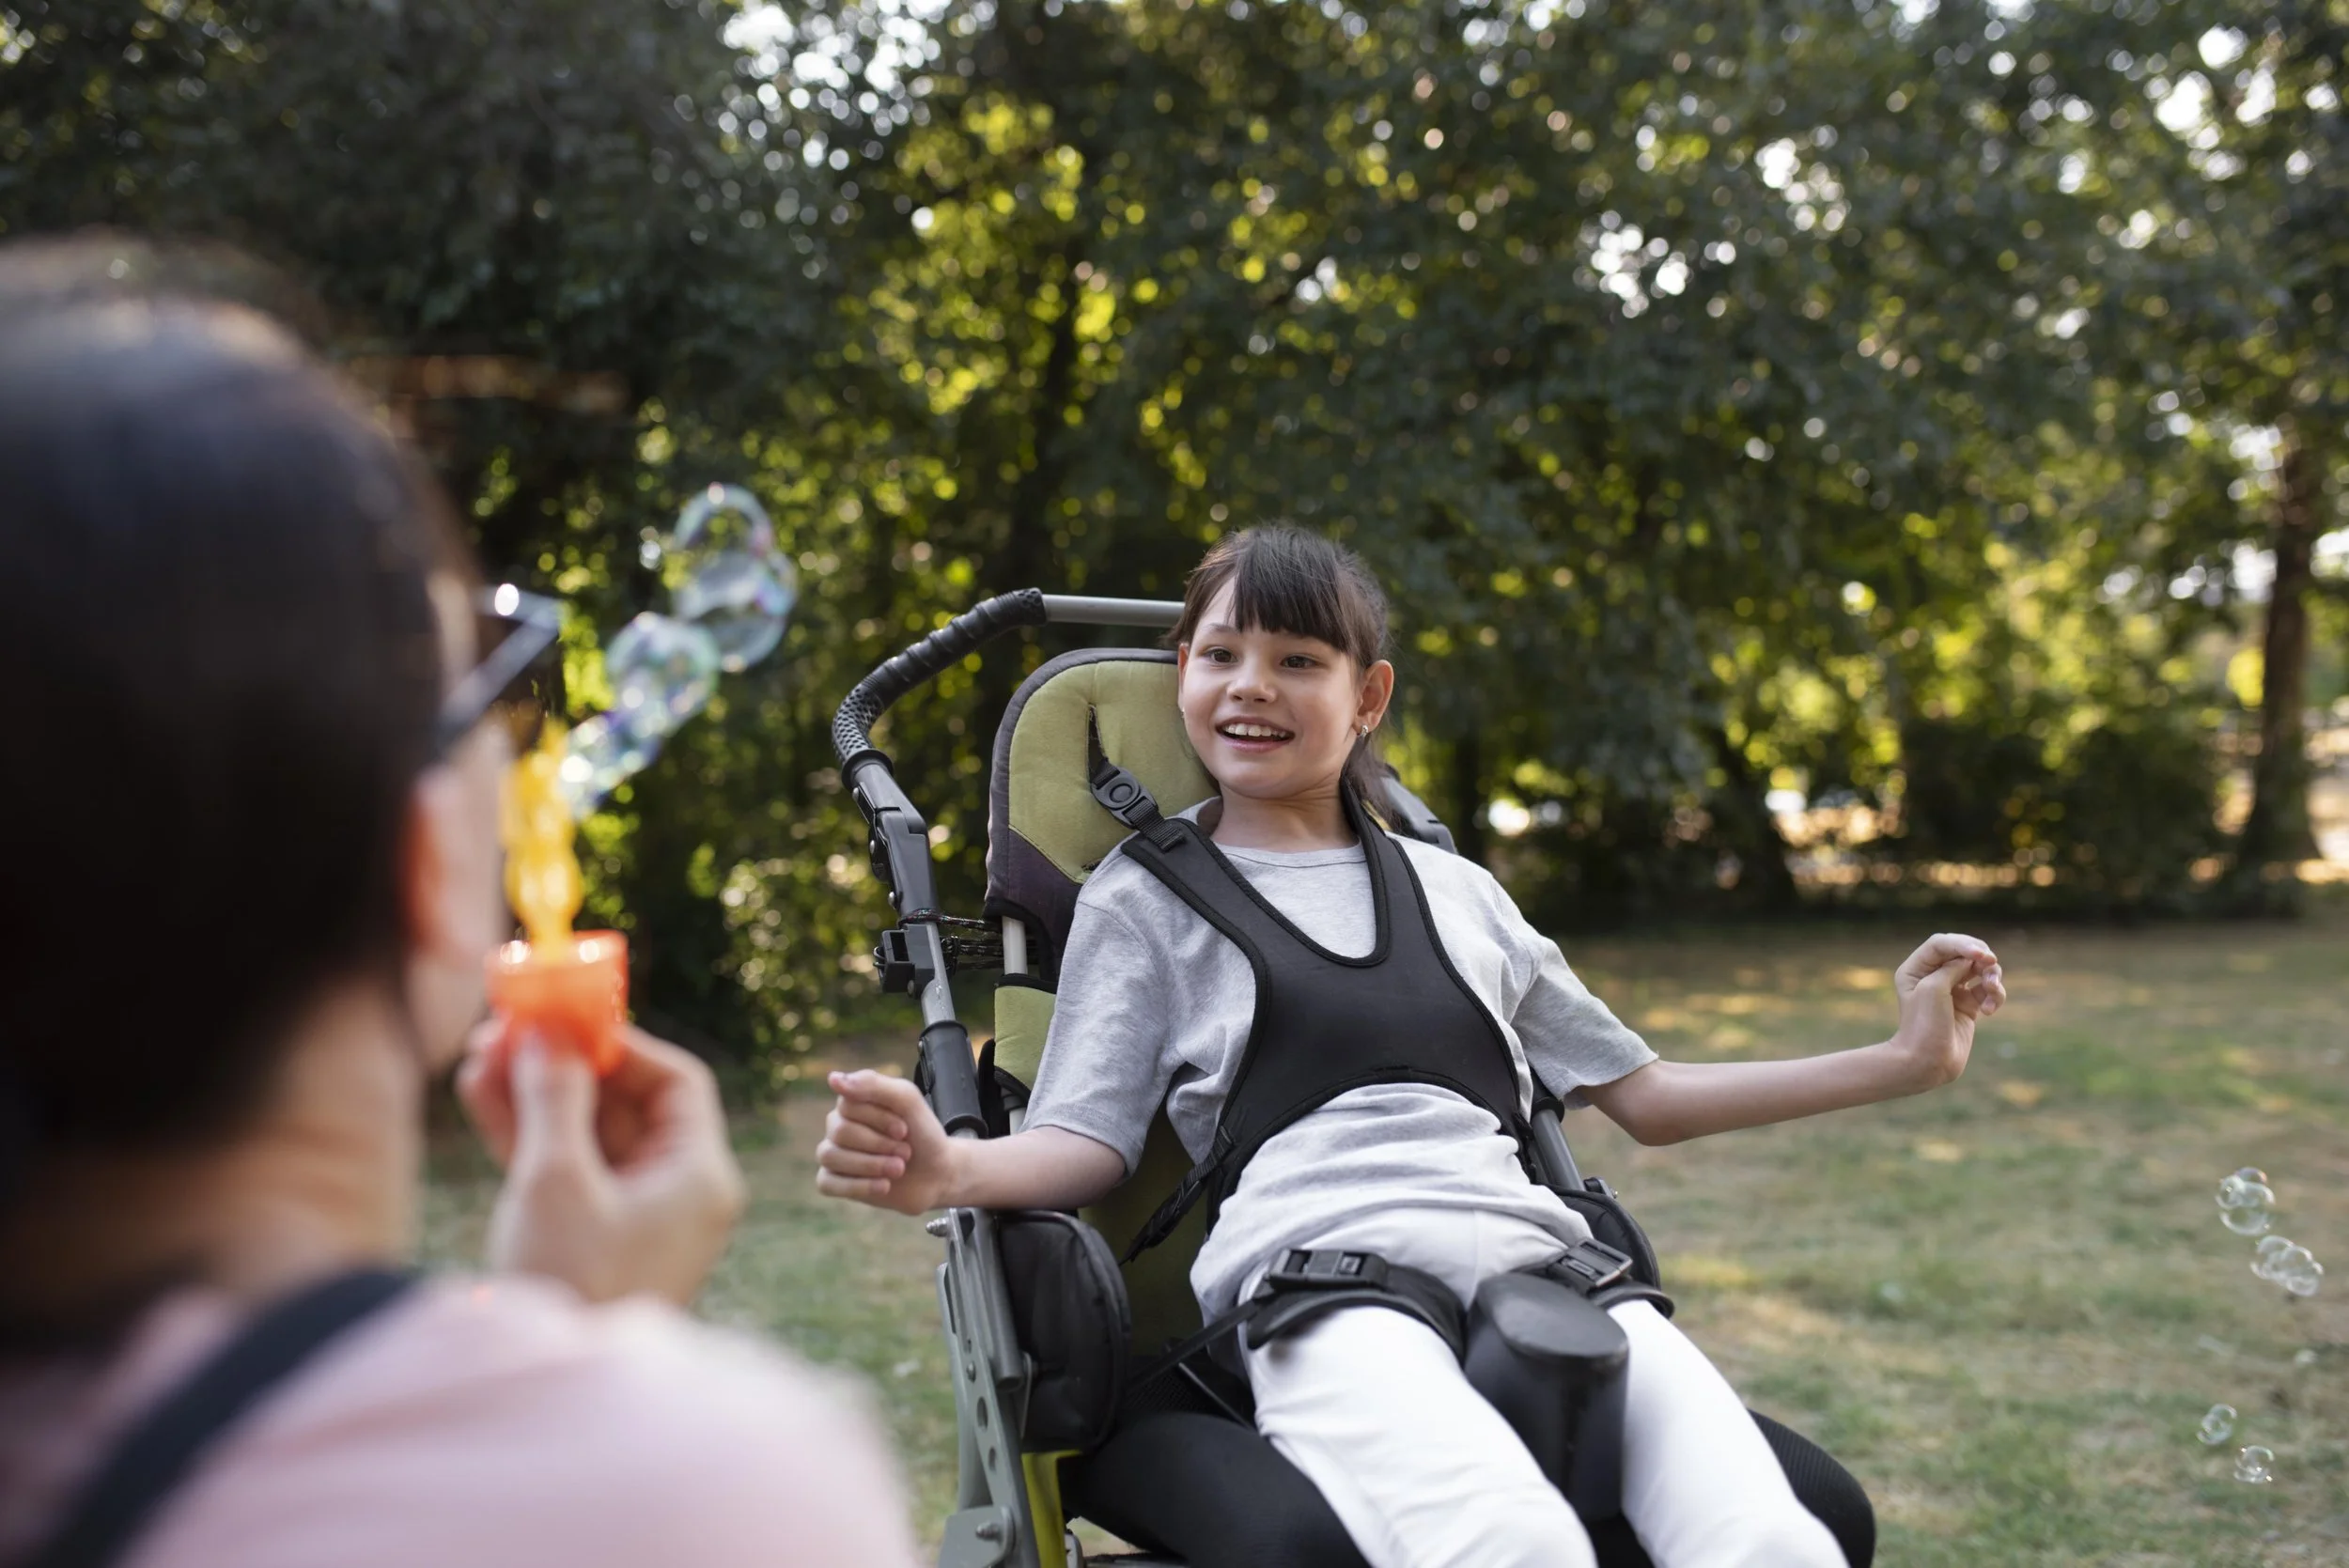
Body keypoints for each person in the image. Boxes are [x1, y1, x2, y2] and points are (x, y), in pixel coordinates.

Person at [817, 525, 2008, 1568]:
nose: (1251, 687)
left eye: (1297, 660)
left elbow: (1645, 1095)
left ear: (1368, 695)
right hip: (1329, 1295)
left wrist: (1902, 1060)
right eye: (1221, 655)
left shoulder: (1461, 892)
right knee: (1514, 1545)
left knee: (1771, 1540)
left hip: (1552, 1282)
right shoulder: (1144, 897)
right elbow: (1083, 1140)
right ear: (1181, 672)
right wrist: (950, 1169)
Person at [0, 247, 917, 1568]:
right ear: (423, 870)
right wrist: (600, 1386)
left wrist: (549, 1327)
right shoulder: (706, 1499)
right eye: (485, 680)